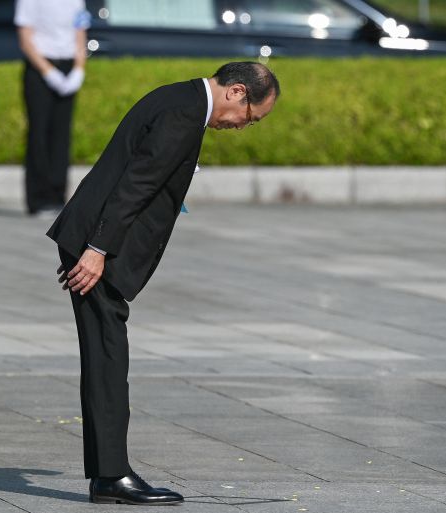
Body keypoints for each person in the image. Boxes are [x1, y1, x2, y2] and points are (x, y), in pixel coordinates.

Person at [46, 62, 280, 505]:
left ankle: (107, 473)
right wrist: (95, 250)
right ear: (235, 92)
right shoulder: (183, 115)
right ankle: (111, 476)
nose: (243, 126)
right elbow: (136, 185)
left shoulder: (181, 98)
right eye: (250, 116)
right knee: (108, 357)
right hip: (102, 243)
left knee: (104, 353)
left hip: (94, 236)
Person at [15, 0, 90, 217]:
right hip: (41, 67)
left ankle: (57, 196)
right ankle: (38, 199)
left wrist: (79, 69)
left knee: (61, 134)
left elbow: (80, 32)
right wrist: (48, 72)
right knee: (39, 132)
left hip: (68, 65)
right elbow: (26, 39)